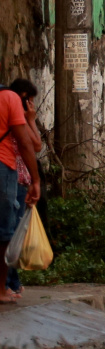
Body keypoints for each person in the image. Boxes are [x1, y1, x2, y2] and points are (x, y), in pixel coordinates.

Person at [0, 77, 41, 304]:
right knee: (8, 233)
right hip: (10, 174)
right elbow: (33, 145)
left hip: (13, 176)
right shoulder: (12, 105)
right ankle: (6, 286)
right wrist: (31, 119)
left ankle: (10, 284)